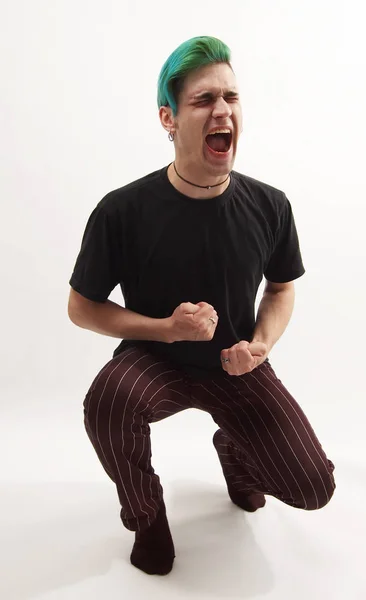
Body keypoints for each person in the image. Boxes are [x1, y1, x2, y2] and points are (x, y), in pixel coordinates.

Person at [68, 36, 336, 576]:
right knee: (107, 402)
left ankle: (234, 453)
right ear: (167, 117)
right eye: (203, 100)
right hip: (154, 362)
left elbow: (281, 289)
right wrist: (163, 329)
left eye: (231, 98)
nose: (222, 111)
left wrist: (260, 344)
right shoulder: (122, 211)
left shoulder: (270, 205)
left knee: (314, 488)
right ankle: (147, 517)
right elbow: (82, 307)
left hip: (235, 363)